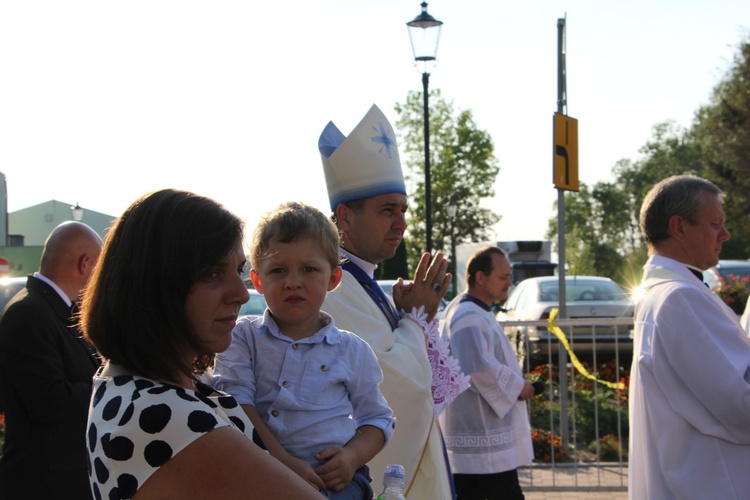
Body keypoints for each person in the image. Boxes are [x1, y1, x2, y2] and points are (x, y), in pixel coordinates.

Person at [80, 189, 322, 499]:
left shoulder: (129, 383)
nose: (242, 293)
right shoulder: (166, 416)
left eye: (237, 270)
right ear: (156, 284)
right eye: (212, 273)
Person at [318, 104, 469, 499]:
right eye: (387, 210)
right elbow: (398, 384)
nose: (401, 223)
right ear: (345, 217)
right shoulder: (333, 288)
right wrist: (416, 319)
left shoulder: (363, 281)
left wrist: (409, 315)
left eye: (403, 209)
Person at [215, 201, 394, 499]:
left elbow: (378, 419)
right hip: (259, 474)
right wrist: (281, 463)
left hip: (333, 482)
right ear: (258, 280)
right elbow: (237, 404)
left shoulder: (352, 350)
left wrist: (350, 458)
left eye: (309, 269)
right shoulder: (243, 337)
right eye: (279, 270)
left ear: (333, 278)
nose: (293, 283)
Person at [629, 174, 750, 499]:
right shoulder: (679, 298)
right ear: (679, 227)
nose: (725, 235)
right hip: (713, 483)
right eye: (715, 224)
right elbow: (742, 401)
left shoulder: (663, 293)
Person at [0, 221, 102, 499]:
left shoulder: (52, 309)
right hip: (44, 485)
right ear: (85, 264)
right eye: (100, 268)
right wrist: (115, 389)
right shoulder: (29, 312)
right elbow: (50, 401)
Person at [438, 246, 534, 500]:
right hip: (481, 435)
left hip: (482, 436)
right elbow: (477, 367)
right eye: (503, 277)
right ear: (480, 277)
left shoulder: (472, 309)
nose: (509, 283)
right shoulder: (468, 315)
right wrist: (519, 388)